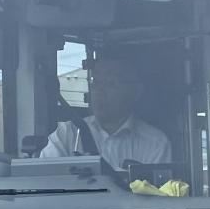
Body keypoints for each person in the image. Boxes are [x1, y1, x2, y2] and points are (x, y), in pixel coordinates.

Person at [42, 52, 171, 167]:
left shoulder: (156, 143)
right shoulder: (66, 134)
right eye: (95, 82)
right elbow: (44, 181)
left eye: (111, 83)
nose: (99, 91)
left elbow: (158, 192)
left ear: (135, 92)